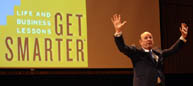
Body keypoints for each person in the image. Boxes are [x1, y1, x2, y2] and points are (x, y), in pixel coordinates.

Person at [111, 14, 188, 86]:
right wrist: (118, 31)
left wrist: (183, 37)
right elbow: (123, 47)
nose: (149, 39)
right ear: (140, 42)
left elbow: (172, 50)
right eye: (146, 38)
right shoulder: (136, 52)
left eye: (150, 37)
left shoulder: (158, 52)